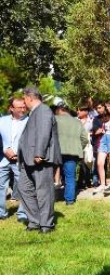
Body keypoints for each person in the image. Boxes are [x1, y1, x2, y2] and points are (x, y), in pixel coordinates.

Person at [18, 87, 62, 233]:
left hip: (39, 158)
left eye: (24, 99)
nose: (23, 103)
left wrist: (39, 153)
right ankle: (35, 221)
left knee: (44, 192)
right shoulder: (36, 112)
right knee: (23, 189)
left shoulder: (43, 110)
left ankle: (46, 225)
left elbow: (44, 132)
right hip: (28, 159)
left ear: (30, 97)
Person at [0, 97, 29, 223]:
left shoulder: (29, 121)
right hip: (3, 159)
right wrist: (5, 149)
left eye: (24, 107)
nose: (23, 109)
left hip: (21, 159)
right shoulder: (2, 121)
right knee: (1, 187)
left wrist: (19, 153)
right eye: (19, 108)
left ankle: (22, 214)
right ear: (11, 108)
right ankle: (2, 213)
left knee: (24, 187)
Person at [54, 104, 89, 205]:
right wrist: (77, 147)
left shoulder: (54, 119)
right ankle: (69, 201)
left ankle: (49, 198)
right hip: (72, 152)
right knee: (70, 176)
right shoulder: (77, 122)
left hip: (56, 151)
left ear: (60, 110)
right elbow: (85, 139)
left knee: (50, 175)